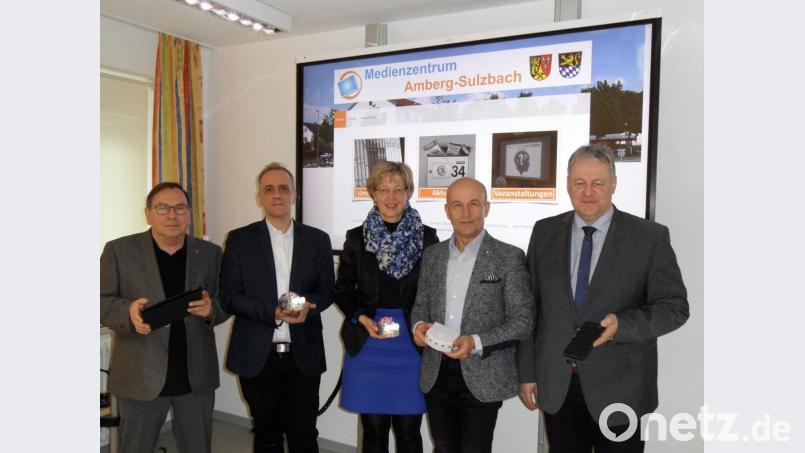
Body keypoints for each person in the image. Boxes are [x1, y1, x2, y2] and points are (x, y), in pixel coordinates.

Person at [516, 144, 689, 452]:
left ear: (614, 183)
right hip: (558, 385)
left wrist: (623, 325)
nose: (588, 192)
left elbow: (674, 307)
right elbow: (531, 309)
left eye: (598, 183)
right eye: (579, 183)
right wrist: (528, 373)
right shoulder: (544, 232)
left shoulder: (649, 237)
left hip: (621, 388)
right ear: (568, 184)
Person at [100, 182, 227, 453]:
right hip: (140, 374)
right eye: (162, 208)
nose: (172, 215)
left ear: (189, 213)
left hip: (195, 375)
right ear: (148, 213)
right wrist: (128, 312)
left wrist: (211, 310)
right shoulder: (119, 251)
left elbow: (225, 300)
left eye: (180, 208)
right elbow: (101, 301)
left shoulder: (210, 253)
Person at [410, 177, 534, 453]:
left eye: (474, 204)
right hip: (436, 371)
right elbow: (420, 306)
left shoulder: (509, 257)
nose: (465, 213)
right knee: (443, 447)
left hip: (482, 373)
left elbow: (523, 321)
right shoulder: (432, 256)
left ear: (486, 208)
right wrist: (418, 326)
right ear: (447, 211)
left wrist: (475, 342)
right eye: (457, 205)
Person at [220, 162, 335, 453]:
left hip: (303, 355)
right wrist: (272, 311)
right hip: (258, 356)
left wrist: (309, 306)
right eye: (269, 189)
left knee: (304, 435)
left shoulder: (317, 239)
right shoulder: (240, 239)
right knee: (266, 436)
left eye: (284, 188)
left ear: (294, 194)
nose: (277, 195)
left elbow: (327, 292)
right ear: (259, 196)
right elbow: (229, 296)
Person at [335, 162, 439, 453]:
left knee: (408, 431)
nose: (391, 197)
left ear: (408, 192)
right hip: (368, 341)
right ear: (373, 192)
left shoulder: (427, 238)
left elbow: (435, 291)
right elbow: (343, 289)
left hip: (412, 342)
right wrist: (360, 317)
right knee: (374, 429)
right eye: (384, 189)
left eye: (398, 189)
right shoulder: (356, 238)